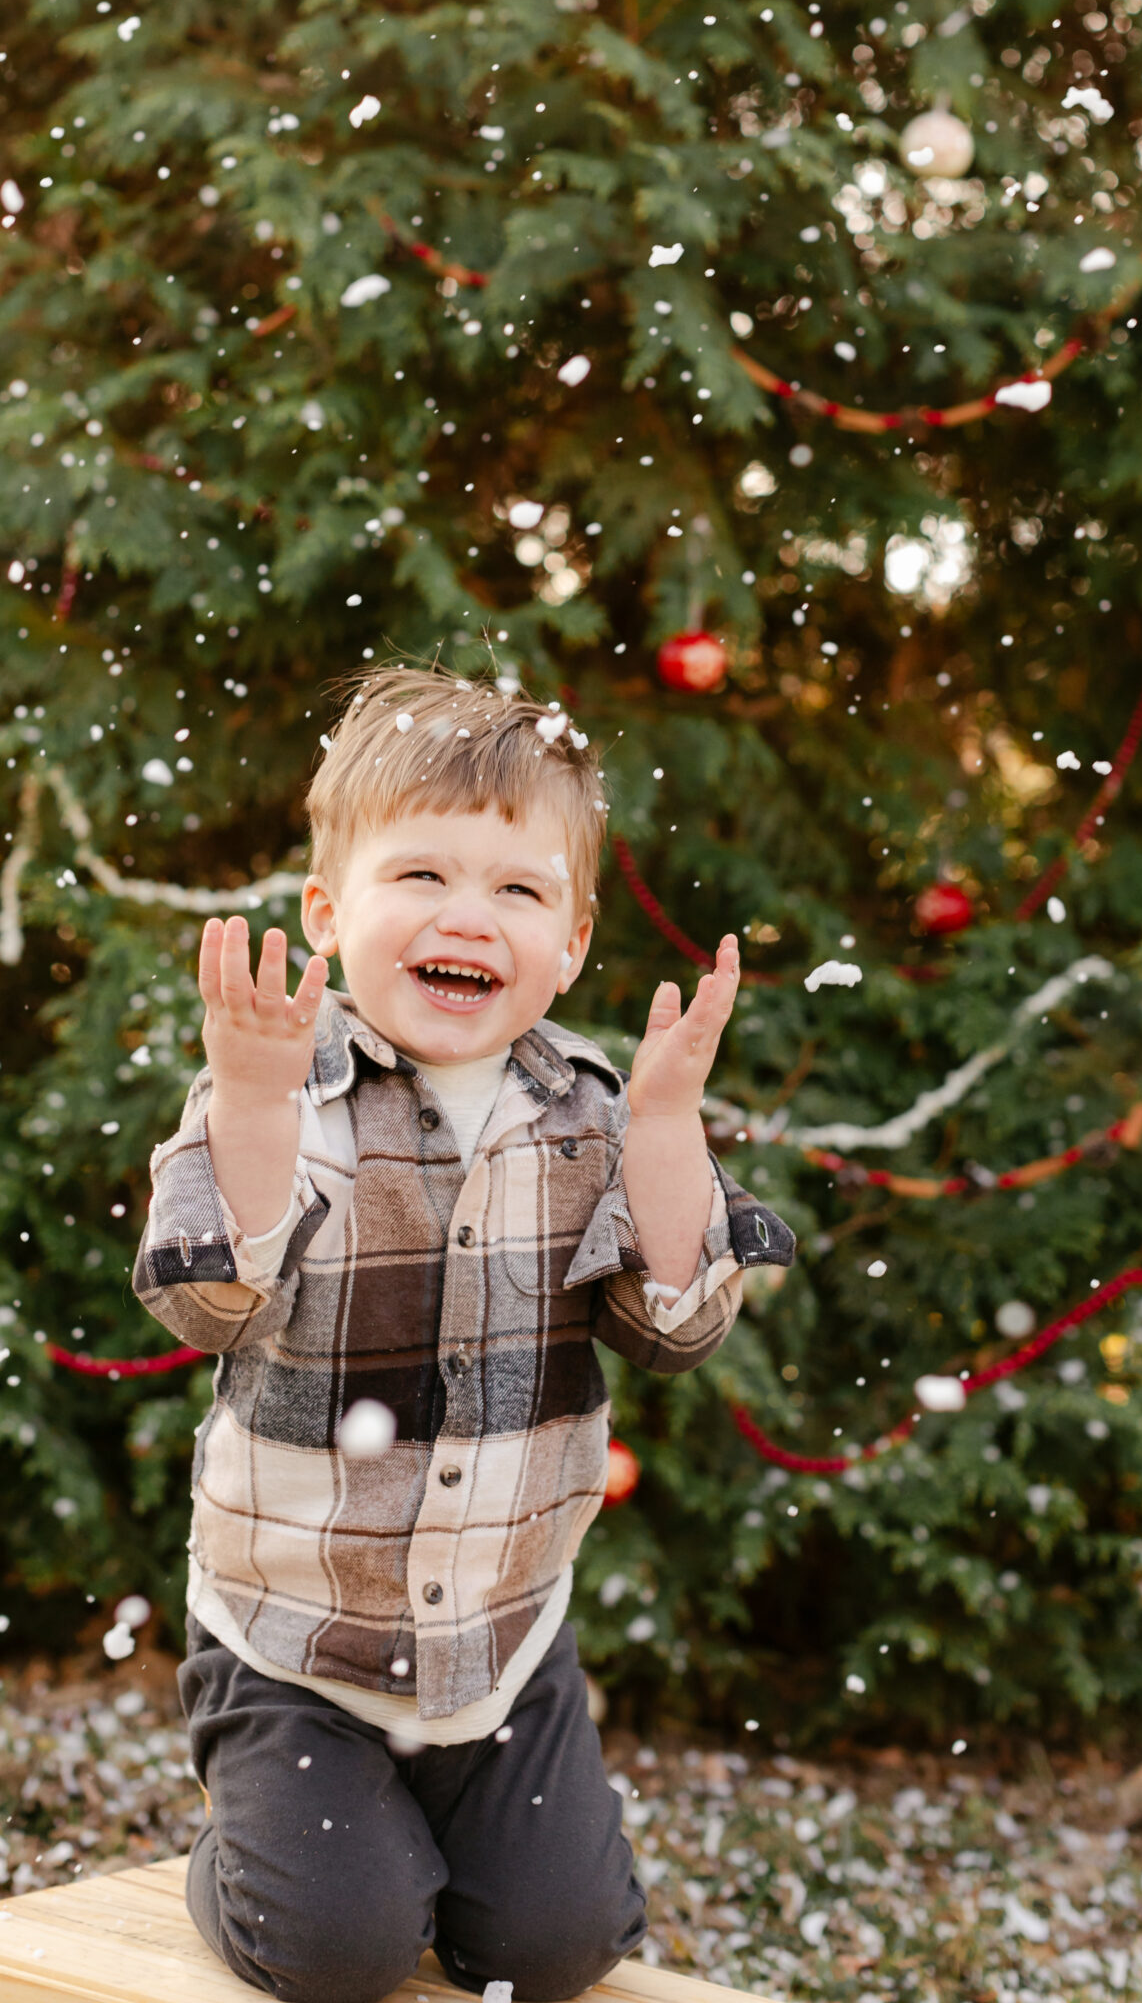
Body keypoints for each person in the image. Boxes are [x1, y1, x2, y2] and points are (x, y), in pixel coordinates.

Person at [134, 667, 794, 2003]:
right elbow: (210, 1298)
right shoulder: (284, 1091)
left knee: (556, 1952)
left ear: (574, 942)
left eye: (517, 891)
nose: (467, 918)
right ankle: (251, 1854)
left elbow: (673, 1327)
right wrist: (254, 1105)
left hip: (501, 1649)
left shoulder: (597, 1112)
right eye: (422, 876)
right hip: (295, 1639)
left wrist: (666, 1132)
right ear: (330, 911)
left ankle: (432, 1826)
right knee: (342, 1953)